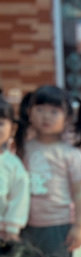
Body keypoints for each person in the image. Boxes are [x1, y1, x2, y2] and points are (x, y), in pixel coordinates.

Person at [15, 86, 81, 257]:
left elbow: (80, 193)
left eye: (54, 111)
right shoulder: (22, 150)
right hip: (25, 225)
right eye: (40, 109)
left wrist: (78, 227)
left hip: (58, 226)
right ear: (29, 112)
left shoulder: (71, 154)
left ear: (67, 118)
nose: (46, 116)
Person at [0, 94, 28, 241]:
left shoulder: (13, 164)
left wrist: (12, 229)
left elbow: (19, 197)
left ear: (12, 129)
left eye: (0, 123)